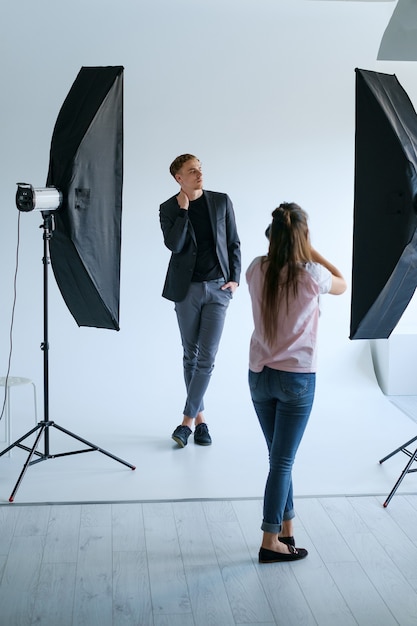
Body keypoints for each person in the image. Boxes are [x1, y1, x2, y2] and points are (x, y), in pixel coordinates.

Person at [246, 202, 346, 563]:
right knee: (282, 463)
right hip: (296, 380)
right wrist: (310, 248)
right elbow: (343, 283)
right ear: (302, 237)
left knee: (277, 460)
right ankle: (269, 540)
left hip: (259, 376)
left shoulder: (255, 269)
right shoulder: (312, 275)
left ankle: (287, 530)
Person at [160, 154, 241, 447]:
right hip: (187, 291)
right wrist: (183, 212)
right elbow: (174, 245)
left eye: (200, 169)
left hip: (219, 289)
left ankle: (185, 423)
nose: (199, 174)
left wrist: (235, 278)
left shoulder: (221, 201)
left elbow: (233, 242)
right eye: (192, 171)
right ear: (179, 178)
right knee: (190, 355)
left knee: (207, 357)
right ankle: (202, 421)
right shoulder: (168, 208)